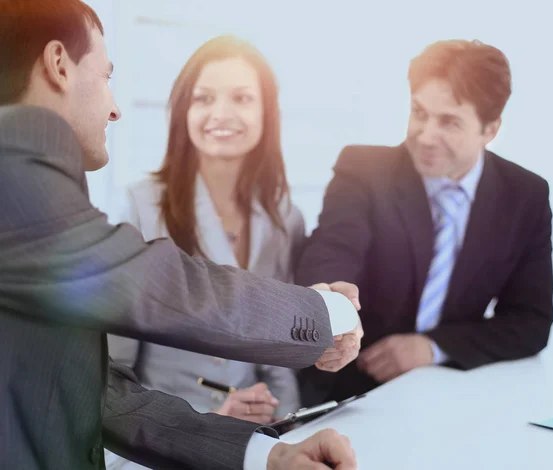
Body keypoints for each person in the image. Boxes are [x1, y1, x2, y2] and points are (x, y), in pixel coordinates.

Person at [0, 1, 362, 469]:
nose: (114, 110)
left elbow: (96, 391)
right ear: (58, 66)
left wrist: (265, 453)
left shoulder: (281, 214)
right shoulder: (15, 172)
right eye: (106, 77)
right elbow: (165, 287)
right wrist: (328, 313)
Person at [295, 39, 553, 405]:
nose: (426, 135)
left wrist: (432, 348)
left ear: (490, 129)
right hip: (347, 388)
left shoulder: (525, 196)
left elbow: (531, 322)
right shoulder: (363, 170)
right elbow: (335, 247)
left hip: (452, 394)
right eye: (419, 112)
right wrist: (326, 308)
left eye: (449, 122)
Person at [106, 36, 306, 469]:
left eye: (242, 98)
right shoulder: (141, 207)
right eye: (204, 98)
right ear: (183, 111)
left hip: (259, 441)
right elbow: (110, 373)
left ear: (265, 113)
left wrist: (287, 423)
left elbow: (280, 358)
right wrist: (211, 424)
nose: (222, 114)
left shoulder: (284, 218)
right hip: (161, 441)